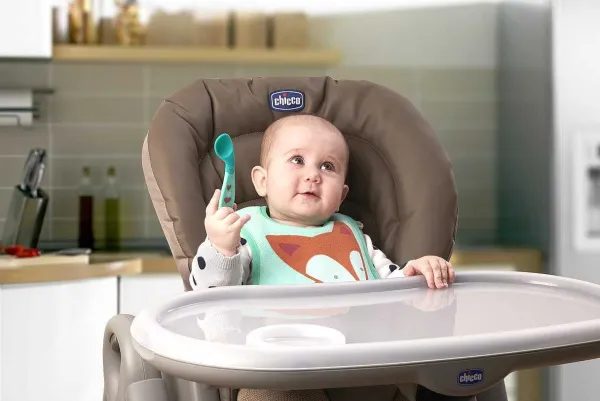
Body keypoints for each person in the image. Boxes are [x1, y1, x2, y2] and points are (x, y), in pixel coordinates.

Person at [190, 114, 456, 401]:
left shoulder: (352, 234)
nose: (313, 175)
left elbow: (391, 289)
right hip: (280, 372)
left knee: (450, 380)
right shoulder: (244, 232)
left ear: (341, 195)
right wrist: (222, 249)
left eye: (328, 166)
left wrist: (416, 273)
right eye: (297, 160)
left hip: (364, 370)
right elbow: (213, 298)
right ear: (262, 181)